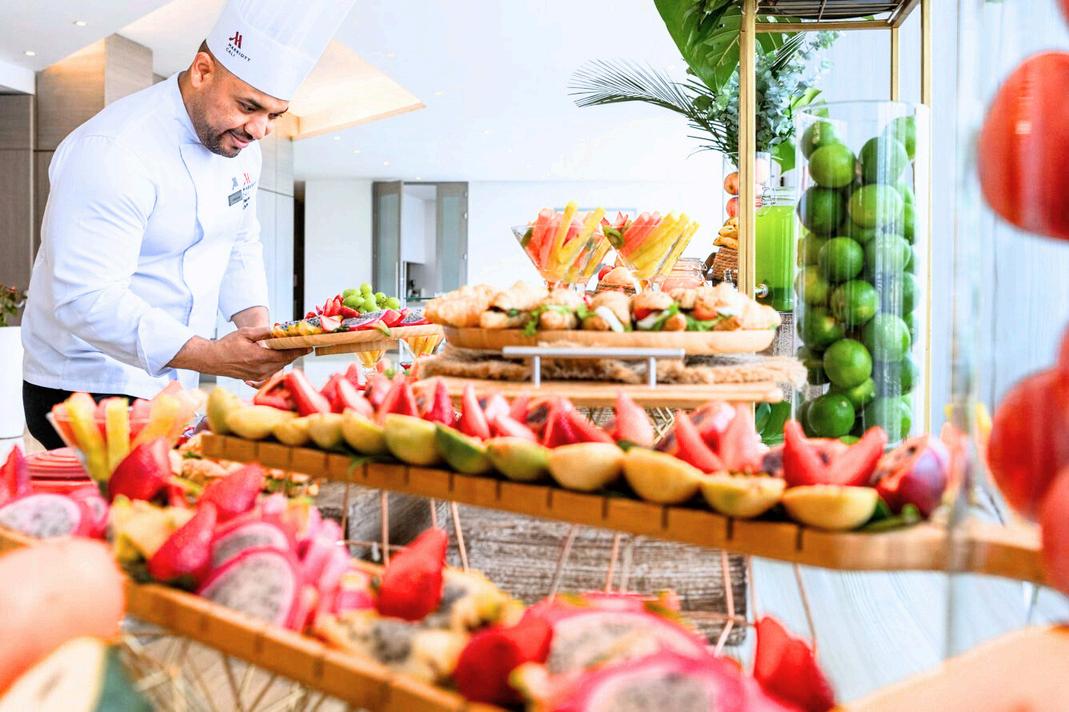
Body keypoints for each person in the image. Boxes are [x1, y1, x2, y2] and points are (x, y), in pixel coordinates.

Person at [21, 0, 354, 449]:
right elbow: (85, 298)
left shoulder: (242, 148)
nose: (260, 131)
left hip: (172, 377)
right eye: (248, 106)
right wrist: (212, 355)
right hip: (85, 381)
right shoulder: (113, 150)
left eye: (274, 115)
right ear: (202, 71)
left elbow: (239, 242)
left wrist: (262, 333)